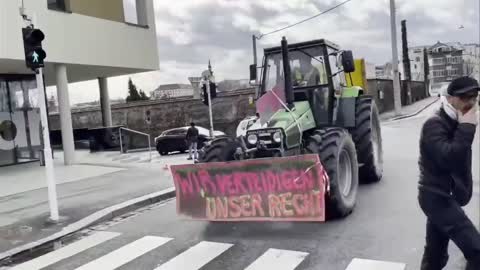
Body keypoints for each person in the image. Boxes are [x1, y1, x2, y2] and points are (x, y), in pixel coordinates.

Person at [418, 76, 480, 270]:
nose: (470, 103)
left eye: (475, 97)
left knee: (435, 255)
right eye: (465, 97)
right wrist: (467, 127)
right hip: (437, 199)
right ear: (451, 98)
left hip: (446, 197)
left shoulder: (457, 120)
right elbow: (450, 158)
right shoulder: (434, 125)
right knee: (477, 252)